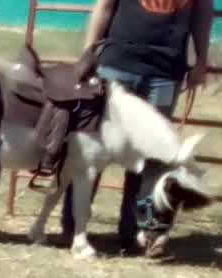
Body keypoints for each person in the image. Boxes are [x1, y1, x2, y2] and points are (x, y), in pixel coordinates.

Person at [60, 0, 212, 250]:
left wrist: (201, 61)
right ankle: (73, 227)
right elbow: (105, 4)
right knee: (93, 147)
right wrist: (89, 51)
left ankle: (135, 232)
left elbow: (202, 13)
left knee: (150, 156)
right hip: (116, 65)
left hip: (165, 72)